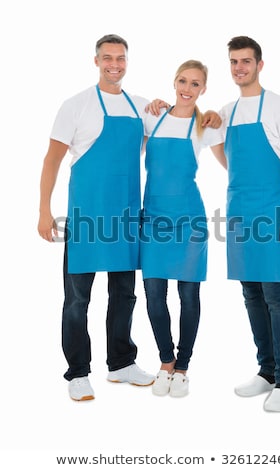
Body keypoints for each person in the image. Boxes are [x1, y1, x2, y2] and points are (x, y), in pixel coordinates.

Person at [37, 34, 163, 401]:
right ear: (96, 61)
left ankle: (121, 363)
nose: (115, 64)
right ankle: (78, 372)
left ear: (127, 61)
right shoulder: (75, 106)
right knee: (77, 299)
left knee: (124, 294)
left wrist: (167, 106)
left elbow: (179, 130)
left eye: (121, 58)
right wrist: (44, 209)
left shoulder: (140, 107)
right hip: (87, 217)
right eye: (108, 58)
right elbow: (51, 160)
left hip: (125, 217)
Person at [219, 36, 280, 412]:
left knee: (276, 295)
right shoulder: (227, 111)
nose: (240, 68)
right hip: (239, 211)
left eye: (246, 61)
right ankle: (266, 371)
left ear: (259, 65)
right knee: (251, 293)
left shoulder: (279, 107)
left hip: (273, 212)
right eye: (234, 62)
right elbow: (218, 149)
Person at [141, 60, 226, 397]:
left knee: (188, 296)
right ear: (173, 82)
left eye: (194, 84)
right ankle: (165, 360)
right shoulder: (152, 116)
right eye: (182, 81)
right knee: (153, 295)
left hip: (189, 219)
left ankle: (183, 367)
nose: (187, 89)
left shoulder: (205, 126)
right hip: (154, 219)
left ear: (203, 89)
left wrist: (220, 117)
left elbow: (231, 163)